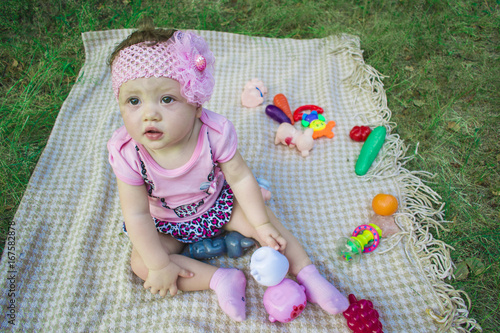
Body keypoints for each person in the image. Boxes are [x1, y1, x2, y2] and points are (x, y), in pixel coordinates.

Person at [107, 22, 348, 322]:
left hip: (217, 206)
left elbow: (240, 177)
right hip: (165, 224)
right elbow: (137, 215)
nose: (149, 113)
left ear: (196, 104)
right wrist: (158, 265)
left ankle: (309, 275)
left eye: (167, 99)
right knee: (142, 263)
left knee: (270, 225)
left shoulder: (214, 133)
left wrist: (259, 225)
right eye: (134, 101)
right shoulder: (127, 152)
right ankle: (220, 279)